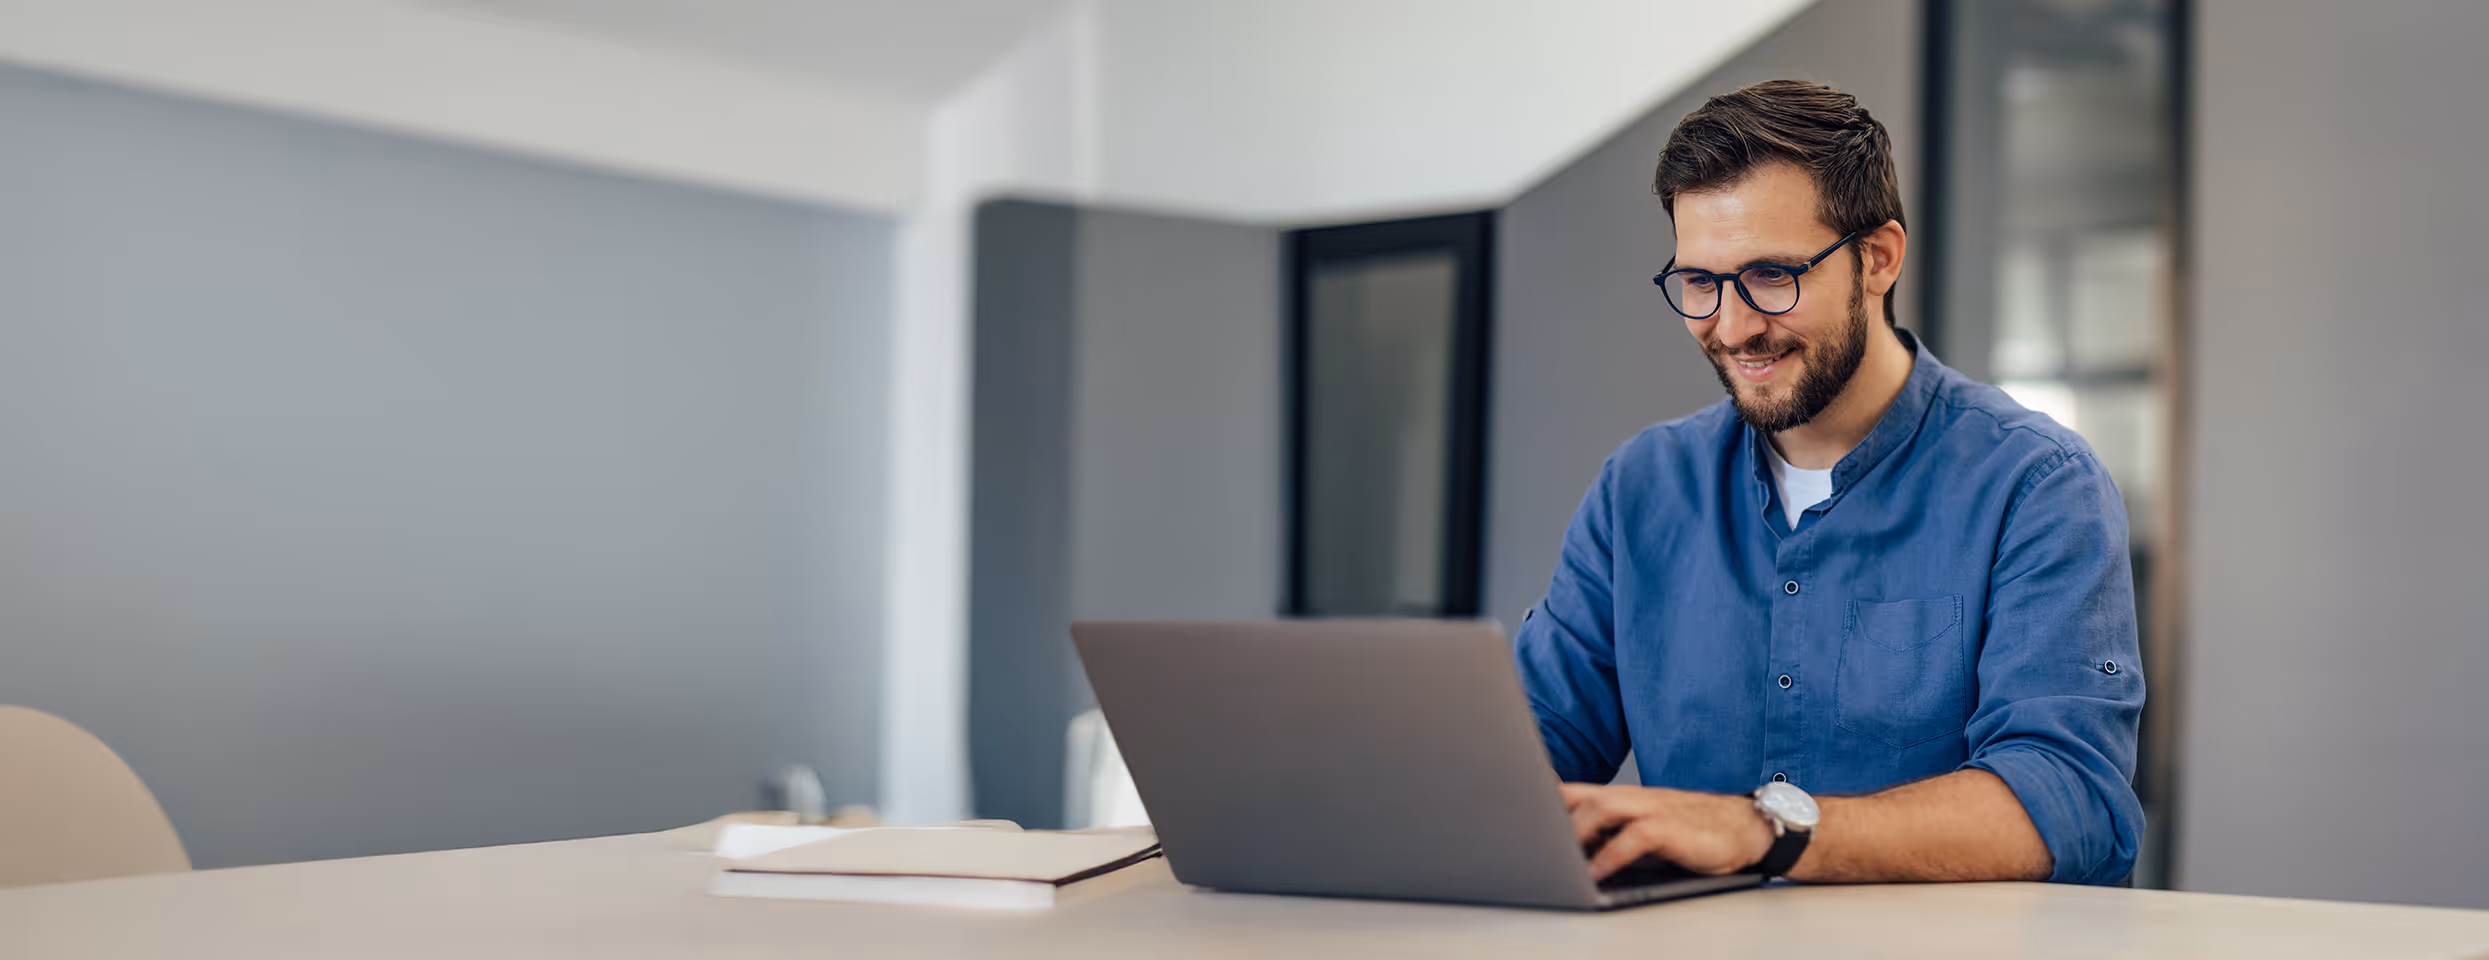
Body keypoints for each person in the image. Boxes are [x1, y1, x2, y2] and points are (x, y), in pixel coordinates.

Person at [1515, 78, 2143, 886]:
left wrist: (1760, 830)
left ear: (1876, 258)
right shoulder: (1640, 488)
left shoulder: (2037, 486)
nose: (1733, 326)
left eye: (1772, 275)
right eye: (1700, 283)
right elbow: (1531, 751)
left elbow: (2069, 799)